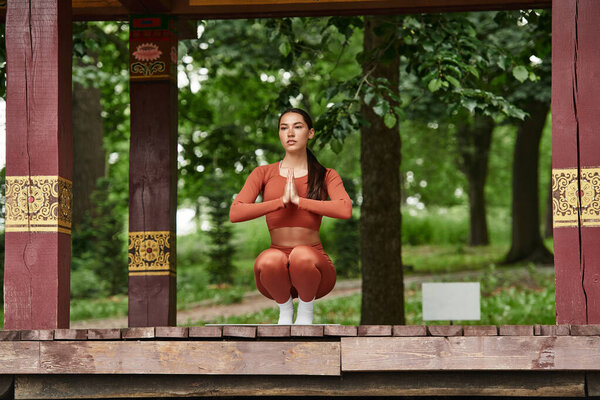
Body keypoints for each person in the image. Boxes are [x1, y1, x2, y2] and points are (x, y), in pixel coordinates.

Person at [229, 108, 352, 325]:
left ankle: (305, 313)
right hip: (276, 274)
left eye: (298, 127)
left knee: (300, 254)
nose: (290, 133)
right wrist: (279, 203)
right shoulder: (263, 173)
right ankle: (285, 312)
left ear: (310, 133)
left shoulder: (326, 175)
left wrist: (299, 201)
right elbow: (235, 212)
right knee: (269, 258)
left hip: (314, 267)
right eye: (284, 128)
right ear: (279, 134)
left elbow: (345, 209)